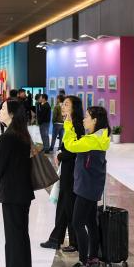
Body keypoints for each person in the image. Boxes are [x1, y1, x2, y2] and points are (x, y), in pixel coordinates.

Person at [0, 99, 34, 267]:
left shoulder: (7, 137)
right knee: (21, 232)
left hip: (12, 191)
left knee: (13, 236)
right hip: (23, 191)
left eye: (3, 109)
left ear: (11, 114)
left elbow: (0, 164)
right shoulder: (22, 134)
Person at [63, 105, 111, 267]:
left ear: (95, 120)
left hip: (86, 187)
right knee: (90, 222)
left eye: (86, 117)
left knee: (77, 222)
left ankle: (83, 262)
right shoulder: (99, 137)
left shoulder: (92, 141)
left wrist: (68, 126)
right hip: (92, 186)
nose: (84, 120)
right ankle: (93, 258)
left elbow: (70, 145)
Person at [40, 94, 84, 251]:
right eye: (63, 104)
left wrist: (60, 155)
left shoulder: (76, 125)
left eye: (66, 104)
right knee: (64, 205)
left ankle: (73, 241)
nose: (62, 106)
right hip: (67, 170)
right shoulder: (69, 123)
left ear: (74, 108)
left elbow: (74, 150)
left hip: (72, 171)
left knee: (68, 206)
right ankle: (58, 239)